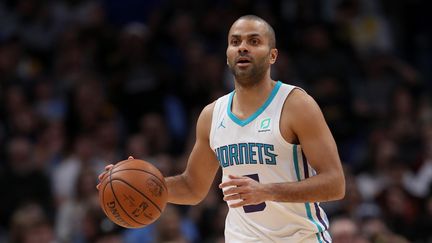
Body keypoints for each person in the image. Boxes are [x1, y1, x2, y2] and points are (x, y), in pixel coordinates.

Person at [97, 15, 345, 242]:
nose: (243, 47)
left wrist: (266, 191)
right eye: (235, 41)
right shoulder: (211, 115)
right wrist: (138, 183)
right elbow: (193, 187)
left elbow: (335, 184)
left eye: (254, 41)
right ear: (227, 55)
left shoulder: (296, 104)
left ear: (272, 55)